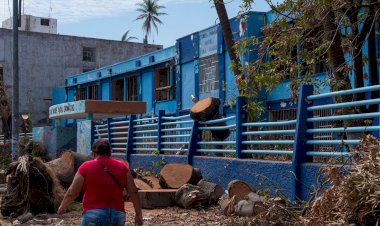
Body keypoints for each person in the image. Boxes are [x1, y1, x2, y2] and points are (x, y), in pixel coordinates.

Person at [58, 139, 143, 226]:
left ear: (94, 153)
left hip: (93, 214)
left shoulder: (85, 167)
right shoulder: (123, 167)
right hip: (117, 215)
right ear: (110, 153)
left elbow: (72, 192)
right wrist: (138, 214)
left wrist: (62, 207)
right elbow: (133, 191)